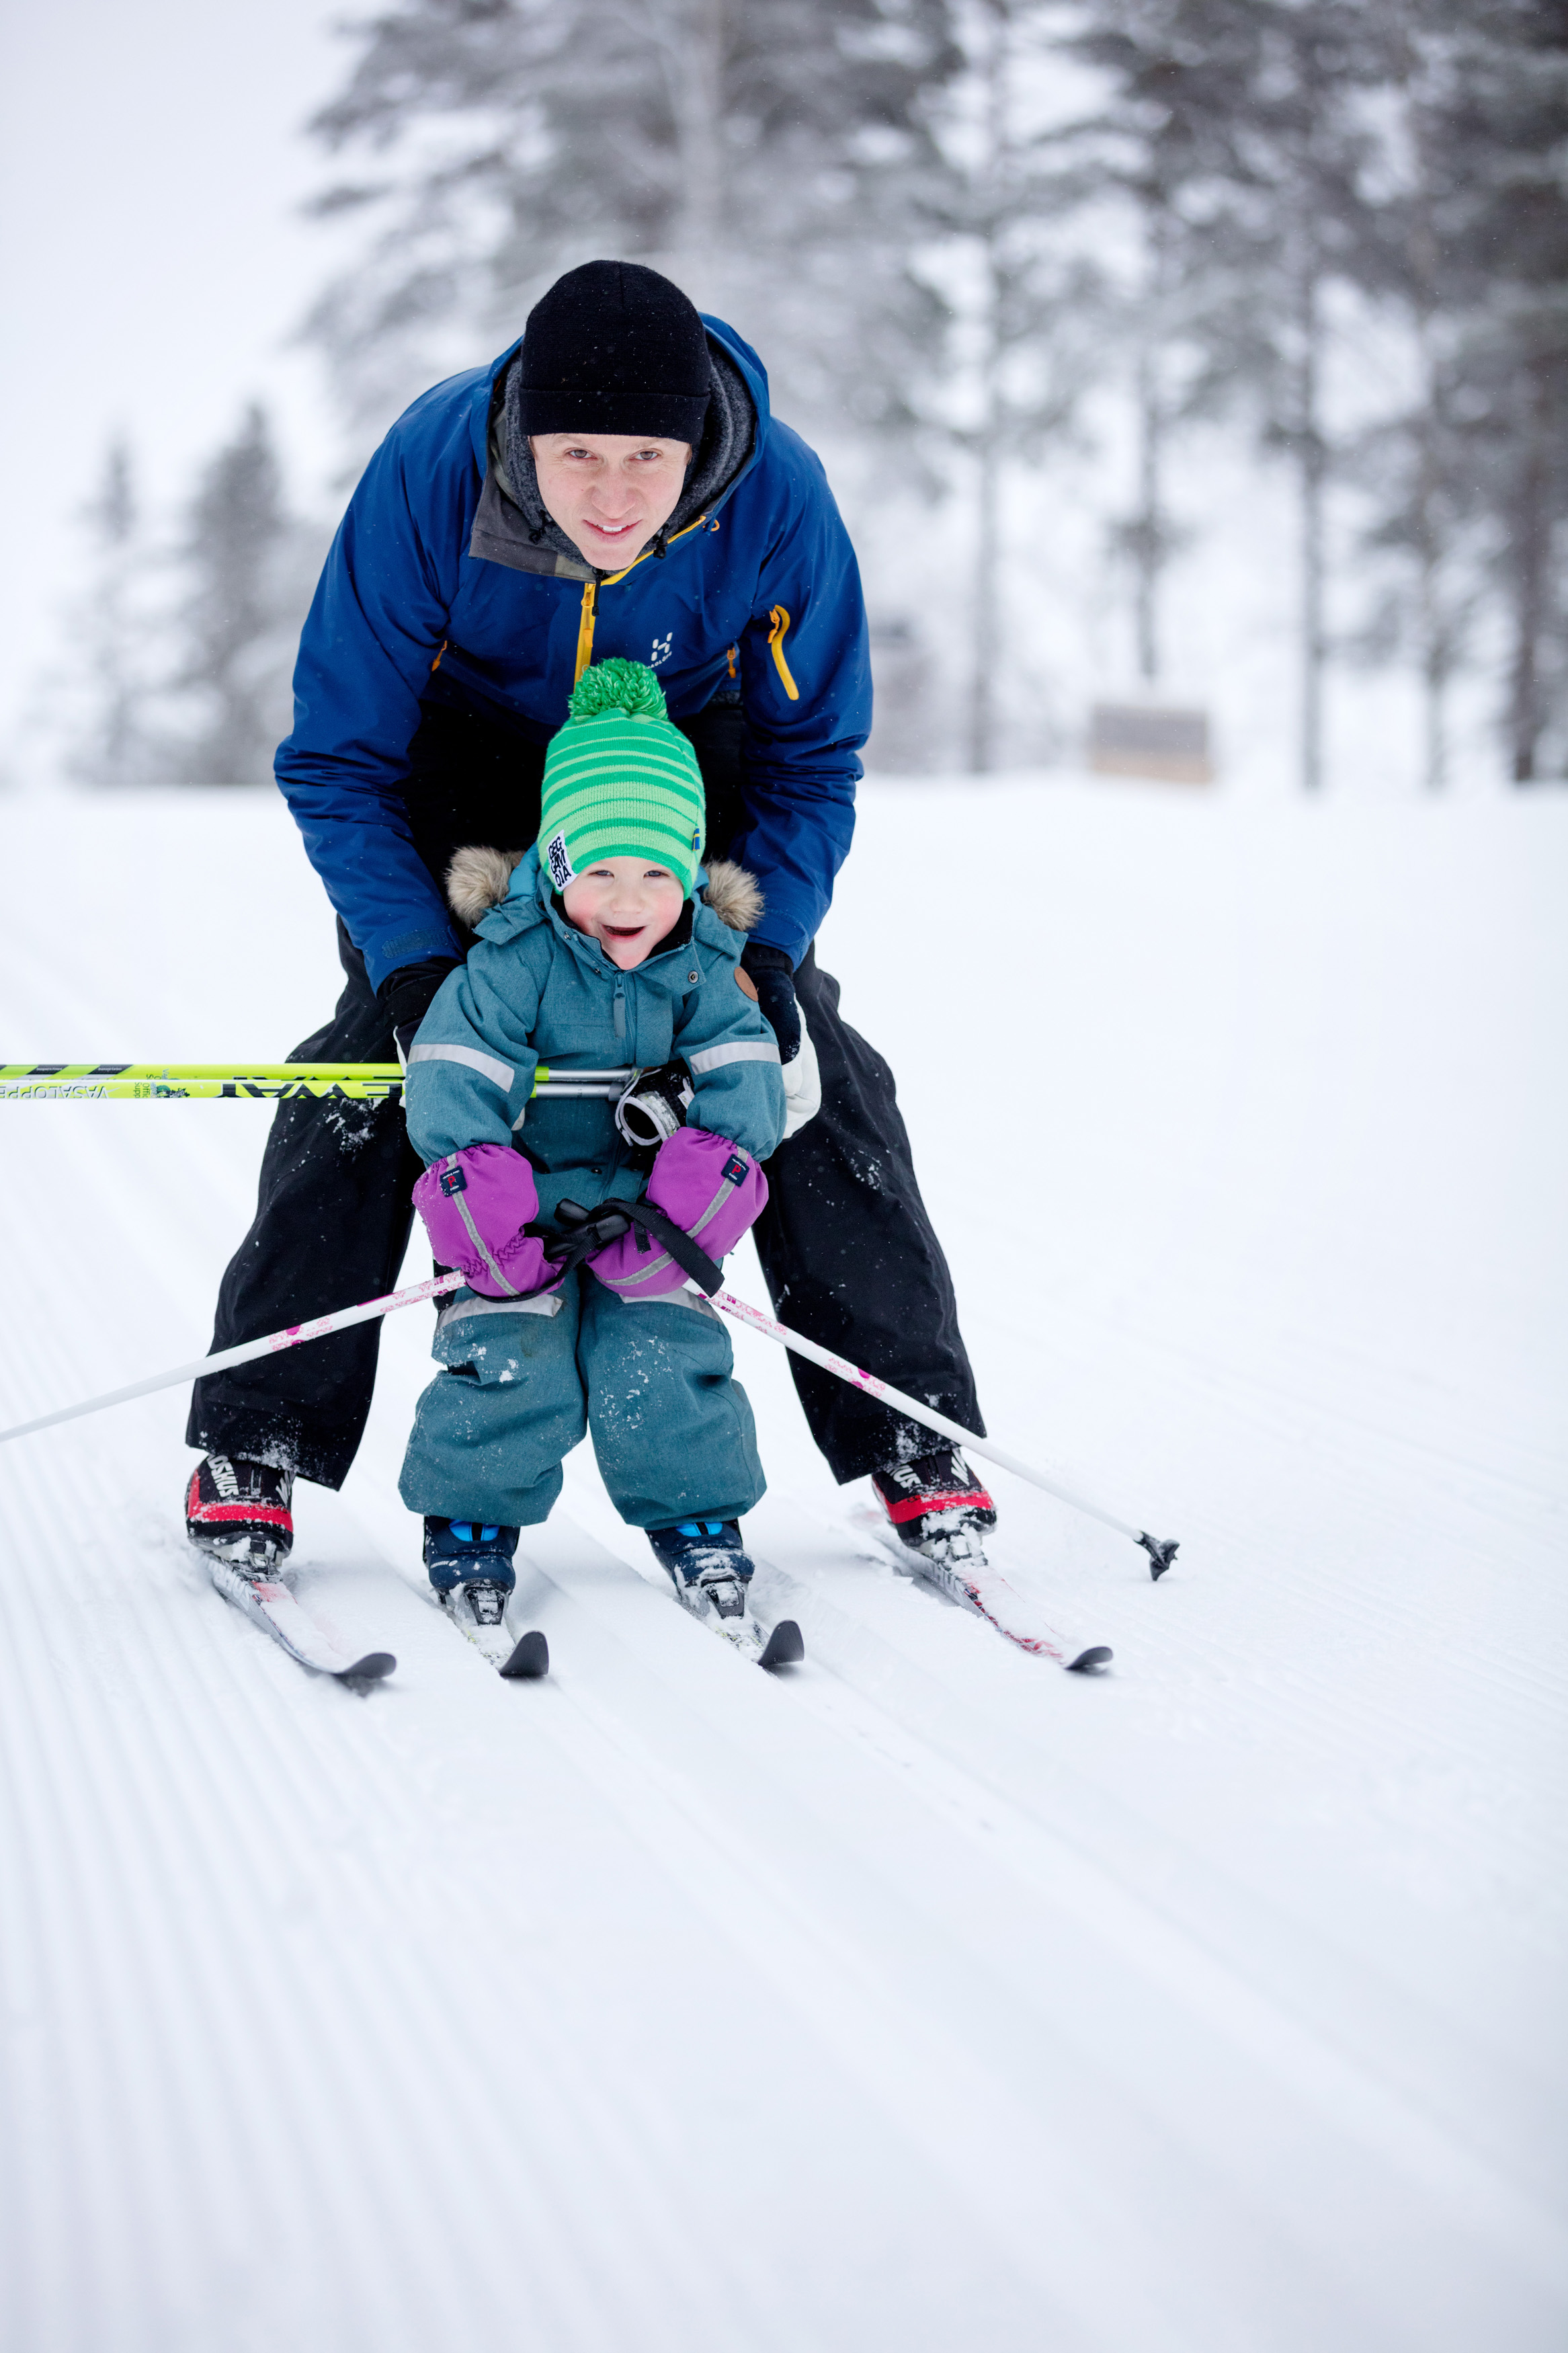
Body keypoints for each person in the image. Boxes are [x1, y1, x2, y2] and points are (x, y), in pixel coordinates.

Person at [184, 257, 996, 1581]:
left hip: (669, 772)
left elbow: (810, 758)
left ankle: (910, 1428)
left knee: (803, 1071)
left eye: (643, 459)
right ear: (524, 440)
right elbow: (337, 754)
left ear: (695, 449)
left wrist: (770, 953)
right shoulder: (428, 472)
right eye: (576, 457)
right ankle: (257, 1434)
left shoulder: (780, 498)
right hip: (463, 760)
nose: (611, 495)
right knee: (379, 1070)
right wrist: (410, 971)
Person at [399, 659, 786, 1651]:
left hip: (645, 1210)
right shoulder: (511, 960)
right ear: (558, 864)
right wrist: (485, 1222)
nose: (630, 898)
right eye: (603, 870)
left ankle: (697, 1521)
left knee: (662, 1350)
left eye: (658, 872)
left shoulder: (703, 967)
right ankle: (472, 1525)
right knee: (510, 1347)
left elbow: (744, 1088)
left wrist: (685, 1219)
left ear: (691, 873)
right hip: (521, 1212)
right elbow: (451, 1080)